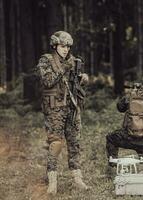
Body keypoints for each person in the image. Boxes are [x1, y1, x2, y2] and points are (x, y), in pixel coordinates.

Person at [35, 31, 89, 194]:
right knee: (56, 144)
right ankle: (52, 181)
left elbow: (76, 86)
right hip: (55, 109)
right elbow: (47, 81)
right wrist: (65, 67)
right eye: (62, 46)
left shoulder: (74, 61)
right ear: (55, 46)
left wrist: (83, 79)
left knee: (74, 144)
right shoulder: (46, 60)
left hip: (71, 108)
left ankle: (77, 178)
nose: (66, 49)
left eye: (68, 47)